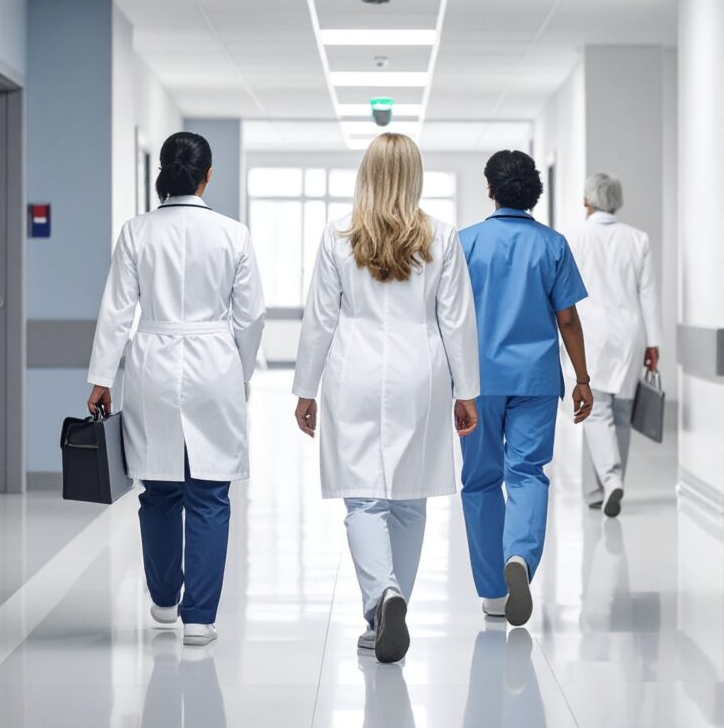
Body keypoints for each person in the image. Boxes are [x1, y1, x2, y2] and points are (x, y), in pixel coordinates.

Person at [292, 132, 480, 664]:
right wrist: (467, 391)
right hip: (421, 372)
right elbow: (457, 320)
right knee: (409, 498)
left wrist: (305, 388)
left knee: (363, 498)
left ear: (367, 176)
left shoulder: (338, 236)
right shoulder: (442, 237)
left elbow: (320, 319)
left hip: (353, 370)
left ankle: (382, 598)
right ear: (414, 177)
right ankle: (390, 607)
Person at [86, 131, 265, 647]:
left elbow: (117, 311)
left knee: (160, 489)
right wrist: (239, 371)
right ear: (208, 176)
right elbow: (251, 316)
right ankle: (200, 619)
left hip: (153, 366)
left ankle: (165, 599)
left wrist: (101, 378)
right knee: (209, 492)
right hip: (215, 365)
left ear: (163, 172)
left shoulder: (136, 232)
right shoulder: (233, 234)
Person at [458, 150, 593, 627]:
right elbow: (568, 318)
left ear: (491, 190)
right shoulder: (552, 245)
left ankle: (494, 593)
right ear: (533, 191)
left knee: (480, 480)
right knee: (528, 473)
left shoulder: (466, 243)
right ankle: (519, 556)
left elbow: (450, 318)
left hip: (478, 381)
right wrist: (582, 378)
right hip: (536, 380)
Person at [568, 173, 661, 518]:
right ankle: (604, 487)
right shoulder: (637, 239)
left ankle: (609, 481)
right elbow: (647, 293)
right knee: (621, 412)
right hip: (629, 333)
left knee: (595, 411)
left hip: (589, 333)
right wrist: (654, 342)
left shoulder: (574, 237)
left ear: (586, 201)